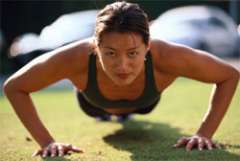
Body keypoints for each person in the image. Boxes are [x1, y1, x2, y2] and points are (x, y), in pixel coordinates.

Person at [3, 1, 239, 158]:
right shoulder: (74, 57)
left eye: (133, 53)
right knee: (100, 111)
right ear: (96, 47)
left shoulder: (167, 55)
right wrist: (46, 142)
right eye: (111, 53)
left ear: (147, 46)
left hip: (146, 102)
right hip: (93, 104)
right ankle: (111, 113)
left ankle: (125, 113)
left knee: (139, 111)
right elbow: (15, 87)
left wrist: (204, 134)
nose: (122, 66)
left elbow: (229, 75)